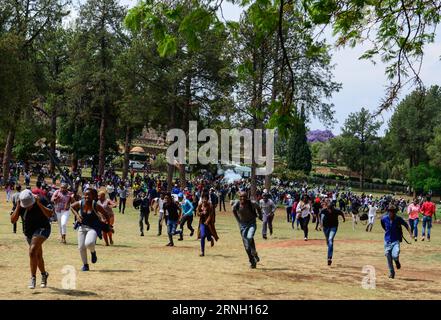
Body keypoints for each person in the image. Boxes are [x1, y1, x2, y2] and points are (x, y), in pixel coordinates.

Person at [10, 189, 53, 289]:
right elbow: (13, 220)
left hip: (43, 228)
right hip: (29, 232)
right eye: (26, 206)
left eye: (29, 205)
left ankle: (33, 277)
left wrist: (39, 204)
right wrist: (17, 207)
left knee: (32, 250)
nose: (28, 208)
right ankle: (44, 274)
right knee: (37, 255)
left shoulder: (41, 199)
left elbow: (50, 214)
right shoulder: (19, 202)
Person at [71, 188, 108, 271]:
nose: (86, 196)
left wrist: (107, 224)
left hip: (93, 227)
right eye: (85, 194)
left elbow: (106, 214)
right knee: (81, 247)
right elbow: (71, 207)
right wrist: (77, 215)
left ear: (93, 196)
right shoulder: (81, 202)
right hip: (82, 226)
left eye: (89, 194)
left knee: (89, 243)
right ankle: (85, 265)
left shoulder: (95, 205)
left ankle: (93, 252)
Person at [232, 191, 263, 269]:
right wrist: (238, 221)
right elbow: (233, 210)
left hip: (252, 223)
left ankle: (254, 253)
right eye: (241, 197)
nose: (242, 198)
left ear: (247, 197)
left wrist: (260, 216)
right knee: (246, 247)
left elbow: (258, 207)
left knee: (249, 237)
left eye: (244, 197)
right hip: (243, 225)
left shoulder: (252, 203)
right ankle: (252, 261)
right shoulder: (237, 204)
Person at [380, 204, 412, 279]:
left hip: (395, 241)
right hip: (387, 241)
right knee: (388, 256)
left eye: (393, 212)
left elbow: (406, 224)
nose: (392, 213)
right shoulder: (384, 218)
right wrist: (386, 230)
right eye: (390, 212)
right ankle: (392, 273)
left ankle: (397, 261)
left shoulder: (398, 219)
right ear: (388, 212)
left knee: (395, 255)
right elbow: (382, 223)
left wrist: (410, 233)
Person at [320, 199, 345, 266]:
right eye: (328, 209)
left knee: (330, 240)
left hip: (333, 227)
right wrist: (321, 224)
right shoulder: (324, 211)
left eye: (331, 209)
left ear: (333, 208)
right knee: (328, 241)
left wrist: (344, 219)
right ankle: (329, 247)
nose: (329, 210)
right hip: (326, 228)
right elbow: (321, 217)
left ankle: (329, 258)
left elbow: (341, 213)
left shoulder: (336, 211)